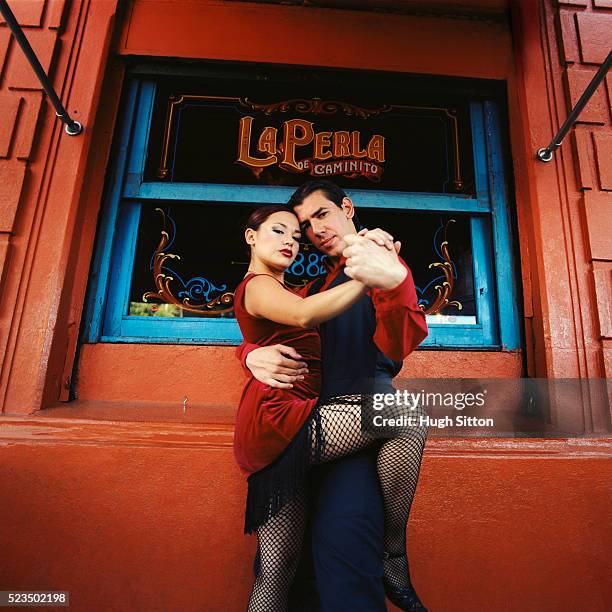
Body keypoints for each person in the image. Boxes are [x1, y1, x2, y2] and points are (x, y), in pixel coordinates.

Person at [236, 182, 429, 611]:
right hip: (305, 426)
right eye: (303, 225)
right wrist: (249, 354)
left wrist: (390, 278)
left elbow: (399, 342)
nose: (312, 230)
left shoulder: (381, 259)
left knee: (345, 561)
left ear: (347, 207)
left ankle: (393, 555)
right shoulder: (311, 289)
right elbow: (281, 326)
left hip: (358, 435)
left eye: (321, 215)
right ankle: (393, 555)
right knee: (282, 571)